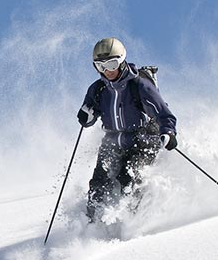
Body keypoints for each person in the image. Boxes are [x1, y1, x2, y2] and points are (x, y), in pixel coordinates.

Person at [76, 38, 178, 223]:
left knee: (128, 178)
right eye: (101, 66)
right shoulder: (98, 89)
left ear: (122, 61)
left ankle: (133, 224)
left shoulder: (139, 85)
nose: (108, 71)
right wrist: (85, 117)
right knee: (98, 185)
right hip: (112, 140)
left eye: (112, 64)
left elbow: (164, 114)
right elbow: (89, 115)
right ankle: (91, 226)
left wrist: (169, 133)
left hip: (143, 138)